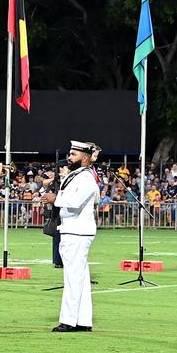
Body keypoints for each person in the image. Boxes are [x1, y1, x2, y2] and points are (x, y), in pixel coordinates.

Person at [47, 140, 100, 332]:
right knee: (81, 278)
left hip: (76, 230)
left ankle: (68, 320)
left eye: (73, 154)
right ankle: (83, 320)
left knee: (72, 277)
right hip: (74, 229)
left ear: (85, 158)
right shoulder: (78, 175)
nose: (69, 157)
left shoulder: (85, 177)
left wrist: (56, 199)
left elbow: (76, 201)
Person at [39, 168, 62, 268]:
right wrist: (52, 180)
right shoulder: (52, 184)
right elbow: (43, 189)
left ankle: (60, 260)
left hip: (63, 210)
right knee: (57, 237)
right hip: (56, 212)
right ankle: (57, 260)